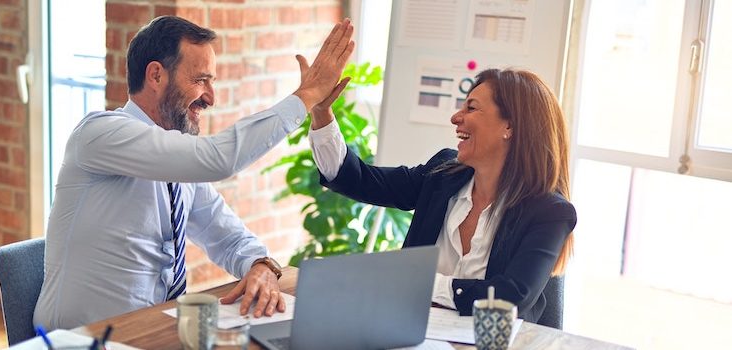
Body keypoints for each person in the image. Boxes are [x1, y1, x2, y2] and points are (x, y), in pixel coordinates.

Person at [34, 15, 354, 330]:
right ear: (156, 76)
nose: (211, 97)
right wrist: (307, 95)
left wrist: (260, 265)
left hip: (152, 330)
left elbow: (226, 235)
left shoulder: (178, 165)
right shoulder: (100, 134)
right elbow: (218, 159)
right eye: (201, 80)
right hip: (81, 340)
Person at [308, 68, 576, 323]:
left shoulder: (549, 212)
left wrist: (420, 282)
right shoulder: (442, 175)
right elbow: (359, 180)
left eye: (471, 108)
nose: (456, 117)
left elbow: (511, 297)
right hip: (411, 334)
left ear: (510, 126)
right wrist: (321, 113)